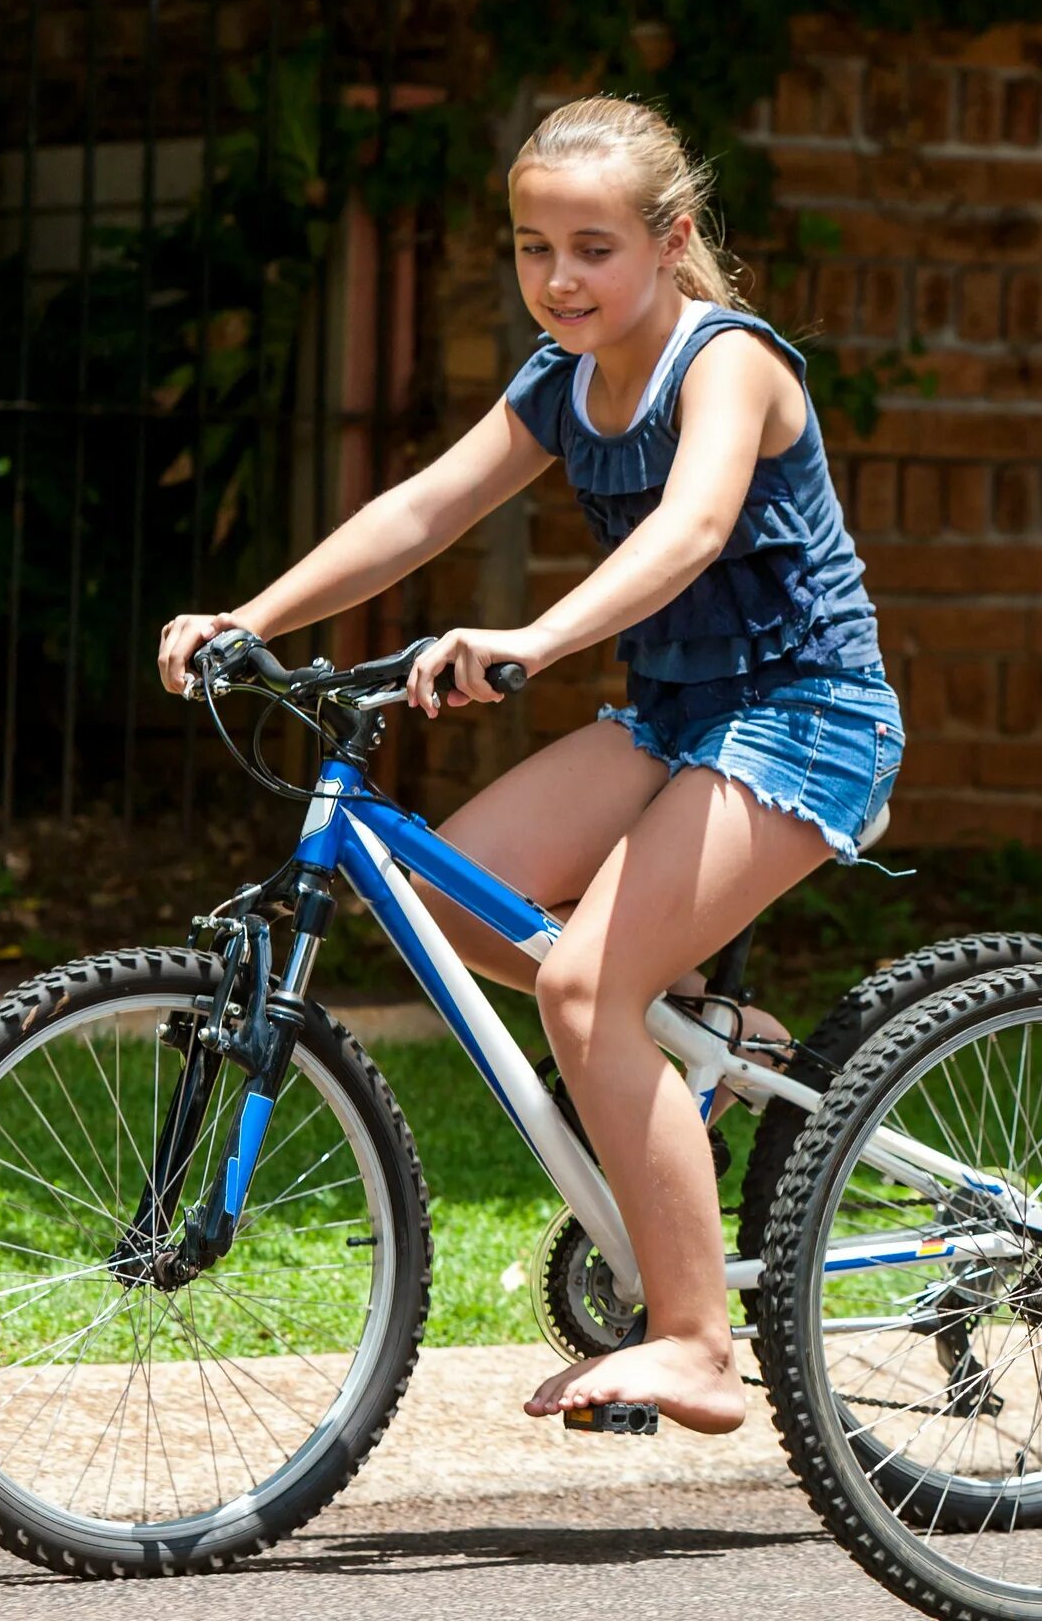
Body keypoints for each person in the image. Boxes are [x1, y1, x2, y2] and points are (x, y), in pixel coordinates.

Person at [154, 94, 904, 1434]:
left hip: (806, 716)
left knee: (577, 994)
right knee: (442, 901)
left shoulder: (725, 362)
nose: (559, 278)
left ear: (672, 242)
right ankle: (712, 1044)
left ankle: (697, 1342)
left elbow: (694, 526)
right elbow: (423, 507)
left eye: (595, 247)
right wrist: (250, 619)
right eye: (532, 246)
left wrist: (539, 638)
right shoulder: (563, 381)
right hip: (677, 713)